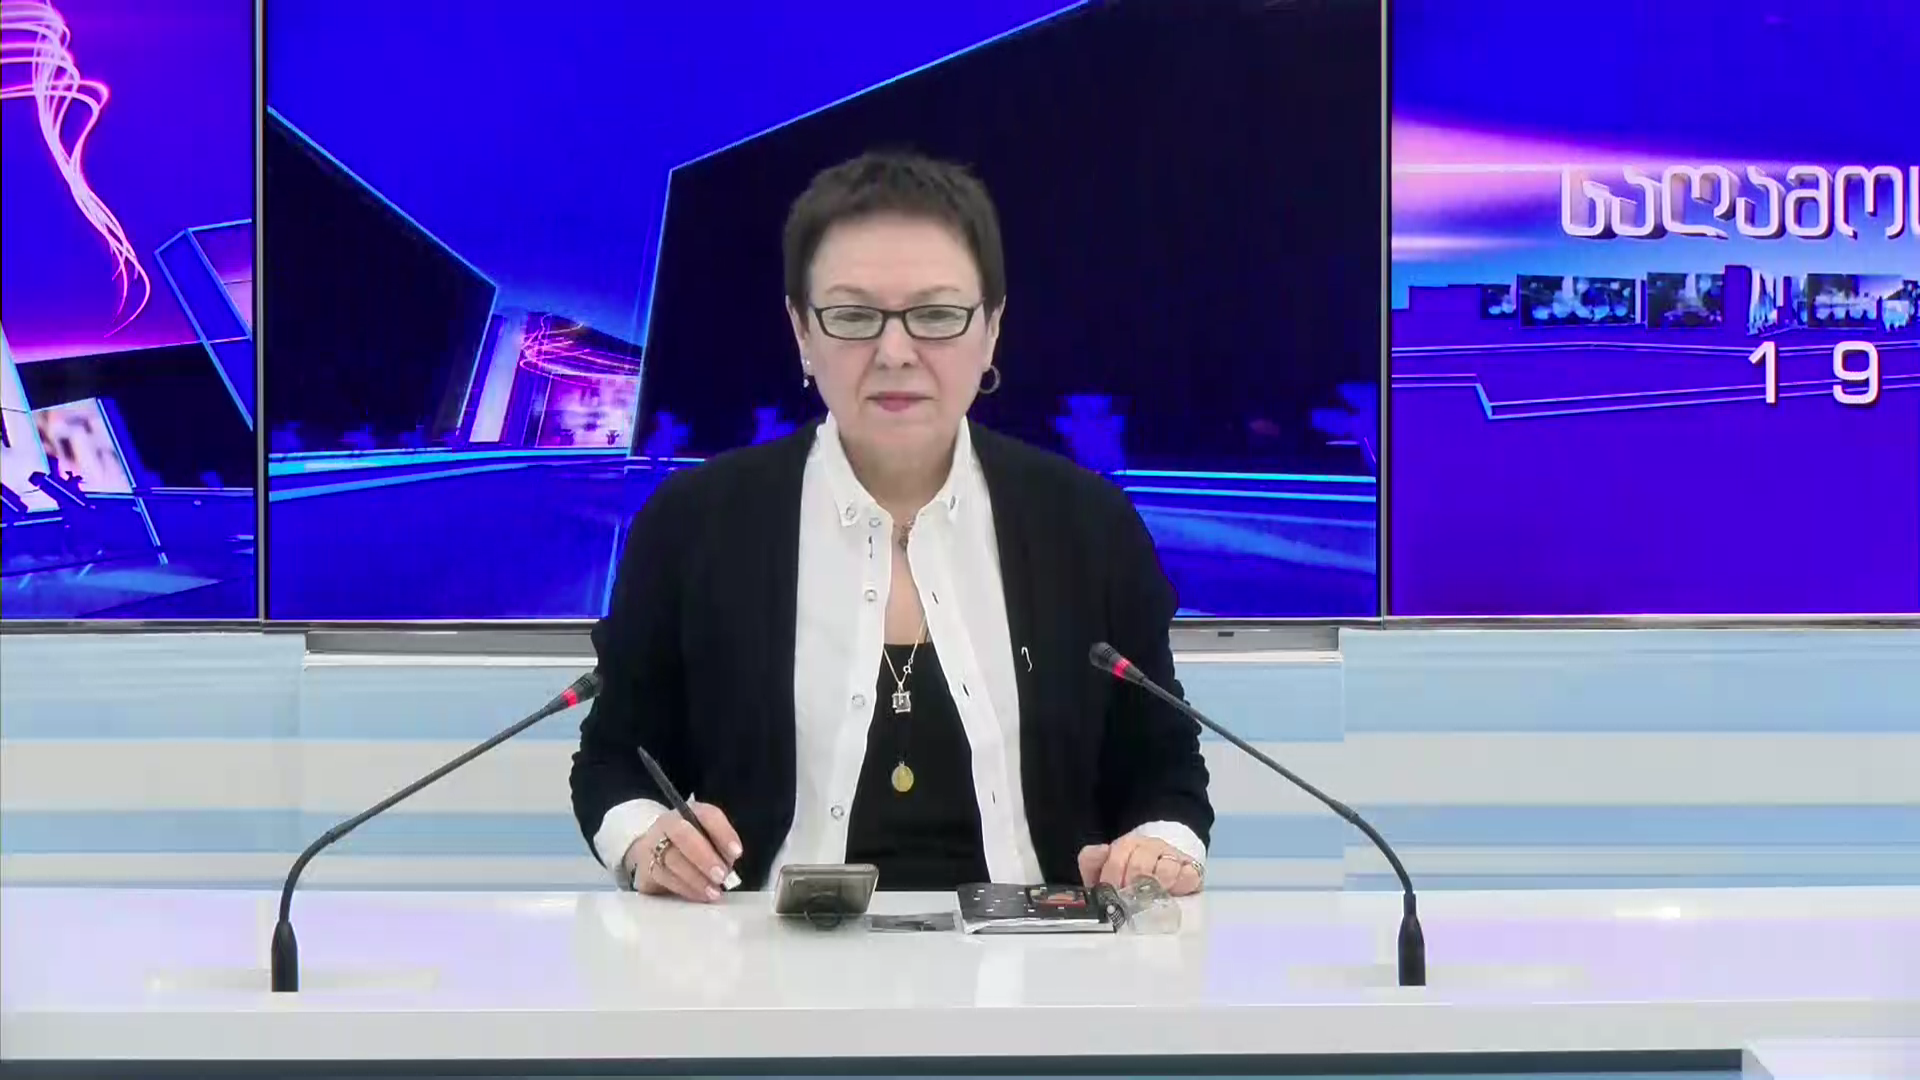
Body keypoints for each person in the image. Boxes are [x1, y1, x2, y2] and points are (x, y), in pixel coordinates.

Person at [569, 151, 1212, 902]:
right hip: (760, 959)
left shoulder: (1090, 527)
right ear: (802, 332)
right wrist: (647, 839)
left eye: (936, 316)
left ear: (991, 330)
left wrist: (1157, 847)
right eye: (853, 317)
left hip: (1039, 959)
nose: (895, 352)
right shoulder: (692, 524)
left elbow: (1165, 770)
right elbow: (613, 759)